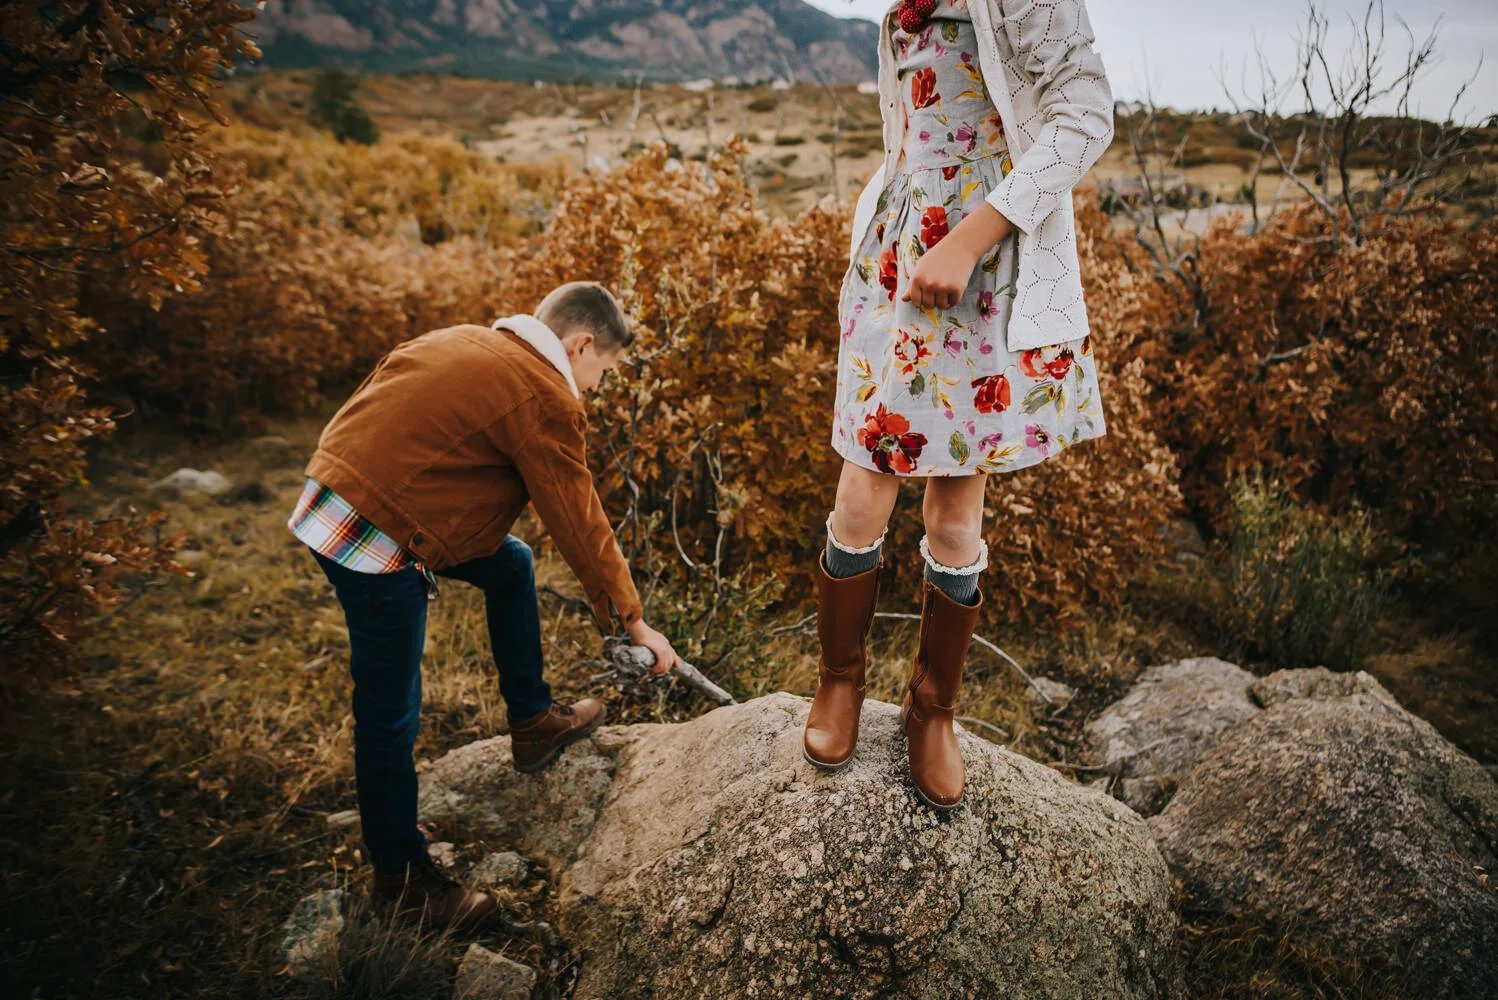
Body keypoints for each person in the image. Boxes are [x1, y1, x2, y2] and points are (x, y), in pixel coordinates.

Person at [288, 281, 679, 927]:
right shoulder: (543, 393)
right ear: (581, 344)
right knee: (389, 715)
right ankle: (402, 885)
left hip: (328, 495)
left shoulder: (464, 340)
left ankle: (533, 722)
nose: (597, 387)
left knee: (512, 564)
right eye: (604, 371)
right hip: (372, 537)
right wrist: (632, 622)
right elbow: (578, 521)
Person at [805, 0, 1114, 810]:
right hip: (899, 257)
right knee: (859, 494)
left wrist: (969, 239)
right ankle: (840, 680)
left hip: (983, 262)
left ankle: (932, 707)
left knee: (953, 516)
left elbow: (1085, 113)